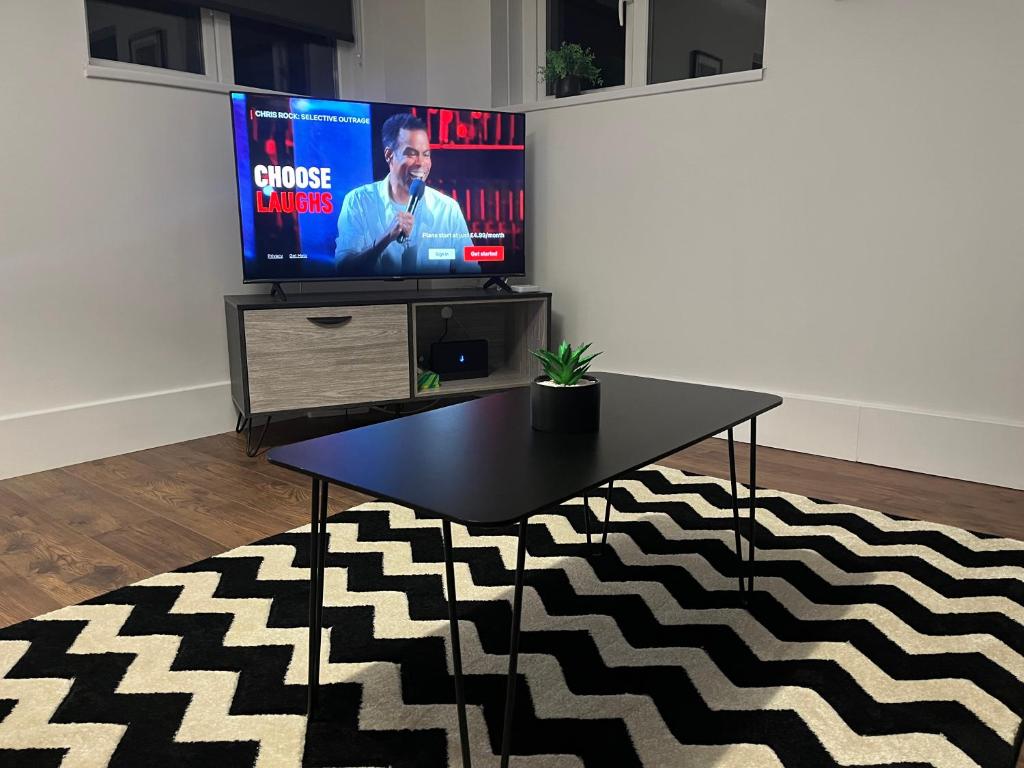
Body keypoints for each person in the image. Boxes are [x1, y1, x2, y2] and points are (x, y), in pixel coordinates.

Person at [335, 113, 479, 276]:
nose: (421, 163)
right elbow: (343, 268)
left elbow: (470, 273)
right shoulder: (358, 201)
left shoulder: (447, 208)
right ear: (389, 155)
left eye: (426, 154)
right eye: (411, 154)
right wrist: (386, 238)